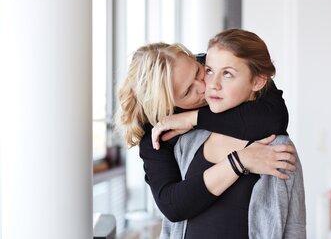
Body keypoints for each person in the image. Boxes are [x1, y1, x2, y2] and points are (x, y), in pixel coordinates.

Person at [115, 41, 296, 227]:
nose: (204, 86)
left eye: (198, 72)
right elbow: (172, 205)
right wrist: (238, 162)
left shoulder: (222, 64)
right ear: (169, 106)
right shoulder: (157, 130)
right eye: (187, 92)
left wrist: (193, 118)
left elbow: (274, 119)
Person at [152, 29, 306, 238]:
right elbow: (171, 224)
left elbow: (294, 227)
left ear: (257, 81)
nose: (212, 84)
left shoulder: (278, 148)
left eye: (227, 73)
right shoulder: (186, 141)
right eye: (209, 70)